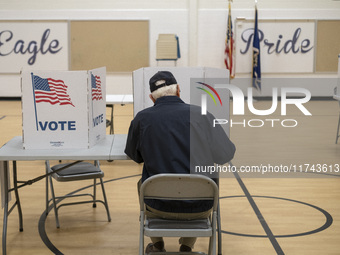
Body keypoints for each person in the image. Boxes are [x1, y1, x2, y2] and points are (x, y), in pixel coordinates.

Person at [124, 71, 236, 253]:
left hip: (157, 205)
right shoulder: (202, 115)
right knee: (200, 181)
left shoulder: (142, 119)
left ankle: (157, 245)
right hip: (200, 206)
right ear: (179, 90)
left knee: (143, 183)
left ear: (152, 98)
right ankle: (186, 247)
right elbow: (225, 155)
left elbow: (135, 156)